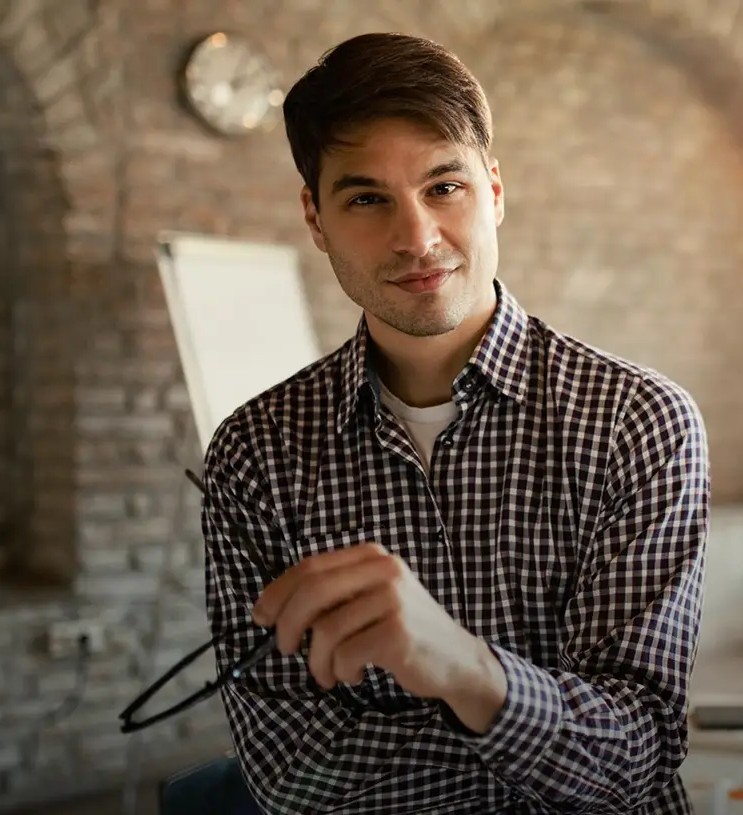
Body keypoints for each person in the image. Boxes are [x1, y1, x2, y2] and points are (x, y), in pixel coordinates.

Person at [200, 33, 710, 815]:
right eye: (368, 198)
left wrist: (462, 667)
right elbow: (293, 776)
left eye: (445, 186)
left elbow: (636, 755)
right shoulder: (256, 454)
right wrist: (535, 731)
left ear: (495, 189)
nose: (417, 237)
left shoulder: (638, 422)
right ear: (315, 216)